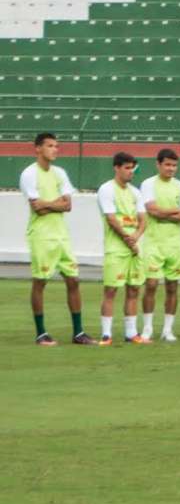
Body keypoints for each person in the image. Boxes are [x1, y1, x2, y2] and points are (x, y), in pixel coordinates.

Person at [20, 132, 91, 345]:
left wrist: (47, 203)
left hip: (61, 235)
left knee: (73, 280)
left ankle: (78, 332)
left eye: (57, 146)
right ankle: (41, 333)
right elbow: (37, 209)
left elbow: (67, 205)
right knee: (40, 282)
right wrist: (54, 204)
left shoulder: (60, 173)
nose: (55, 149)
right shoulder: (29, 174)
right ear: (38, 149)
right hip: (41, 235)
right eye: (50, 145)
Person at [140, 149, 180, 342]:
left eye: (174, 165)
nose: (171, 169)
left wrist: (166, 213)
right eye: (167, 165)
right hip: (154, 242)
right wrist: (176, 212)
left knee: (172, 287)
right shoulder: (148, 184)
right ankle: (147, 328)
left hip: (175, 244)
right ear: (158, 164)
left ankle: (167, 330)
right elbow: (153, 211)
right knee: (151, 285)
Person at [96, 152, 147, 345]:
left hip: (134, 247)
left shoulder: (135, 192)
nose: (130, 172)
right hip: (116, 249)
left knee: (134, 289)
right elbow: (111, 219)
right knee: (111, 290)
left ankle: (131, 332)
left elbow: (143, 219)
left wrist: (135, 237)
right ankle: (106, 334)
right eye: (126, 168)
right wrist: (128, 238)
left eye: (132, 168)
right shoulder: (106, 189)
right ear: (116, 168)